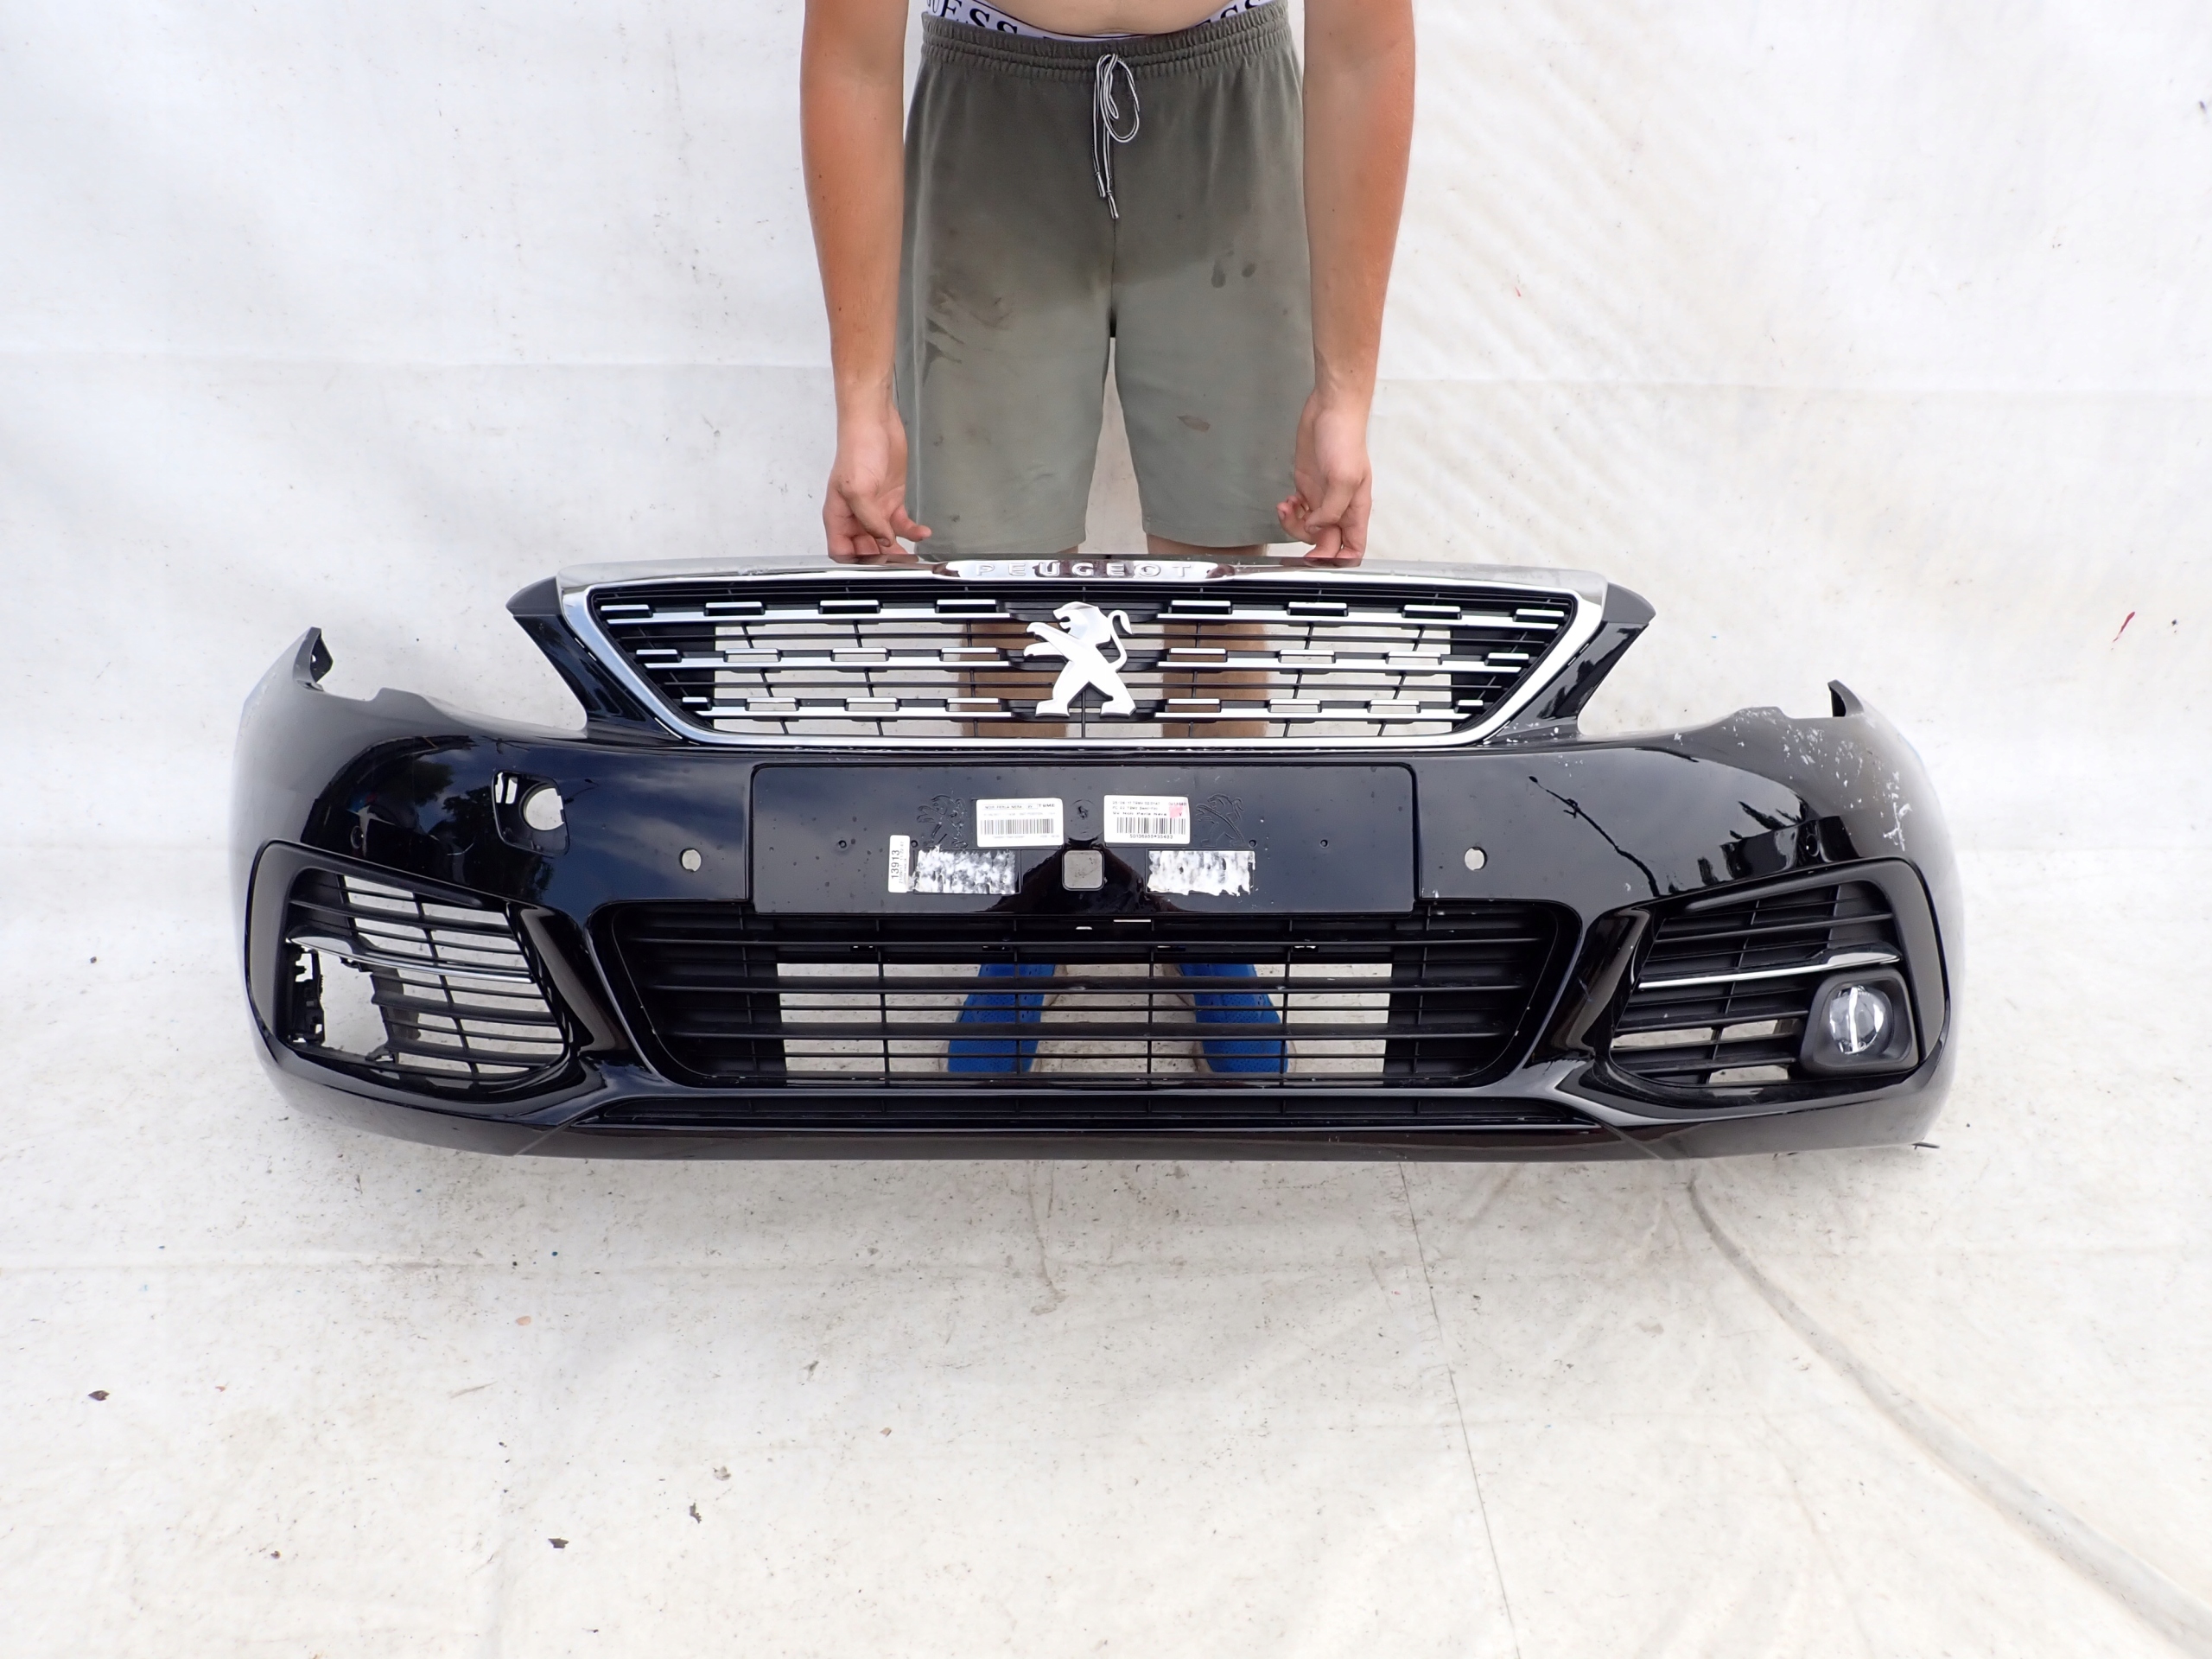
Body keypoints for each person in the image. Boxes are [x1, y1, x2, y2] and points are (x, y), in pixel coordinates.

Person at [800, 0, 1414, 567]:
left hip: (1228, 125)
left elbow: (1360, 51)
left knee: (1218, 601)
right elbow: (853, 61)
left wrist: (1343, 397)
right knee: (1004, 592)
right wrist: (863, 407)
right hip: (989, 129)